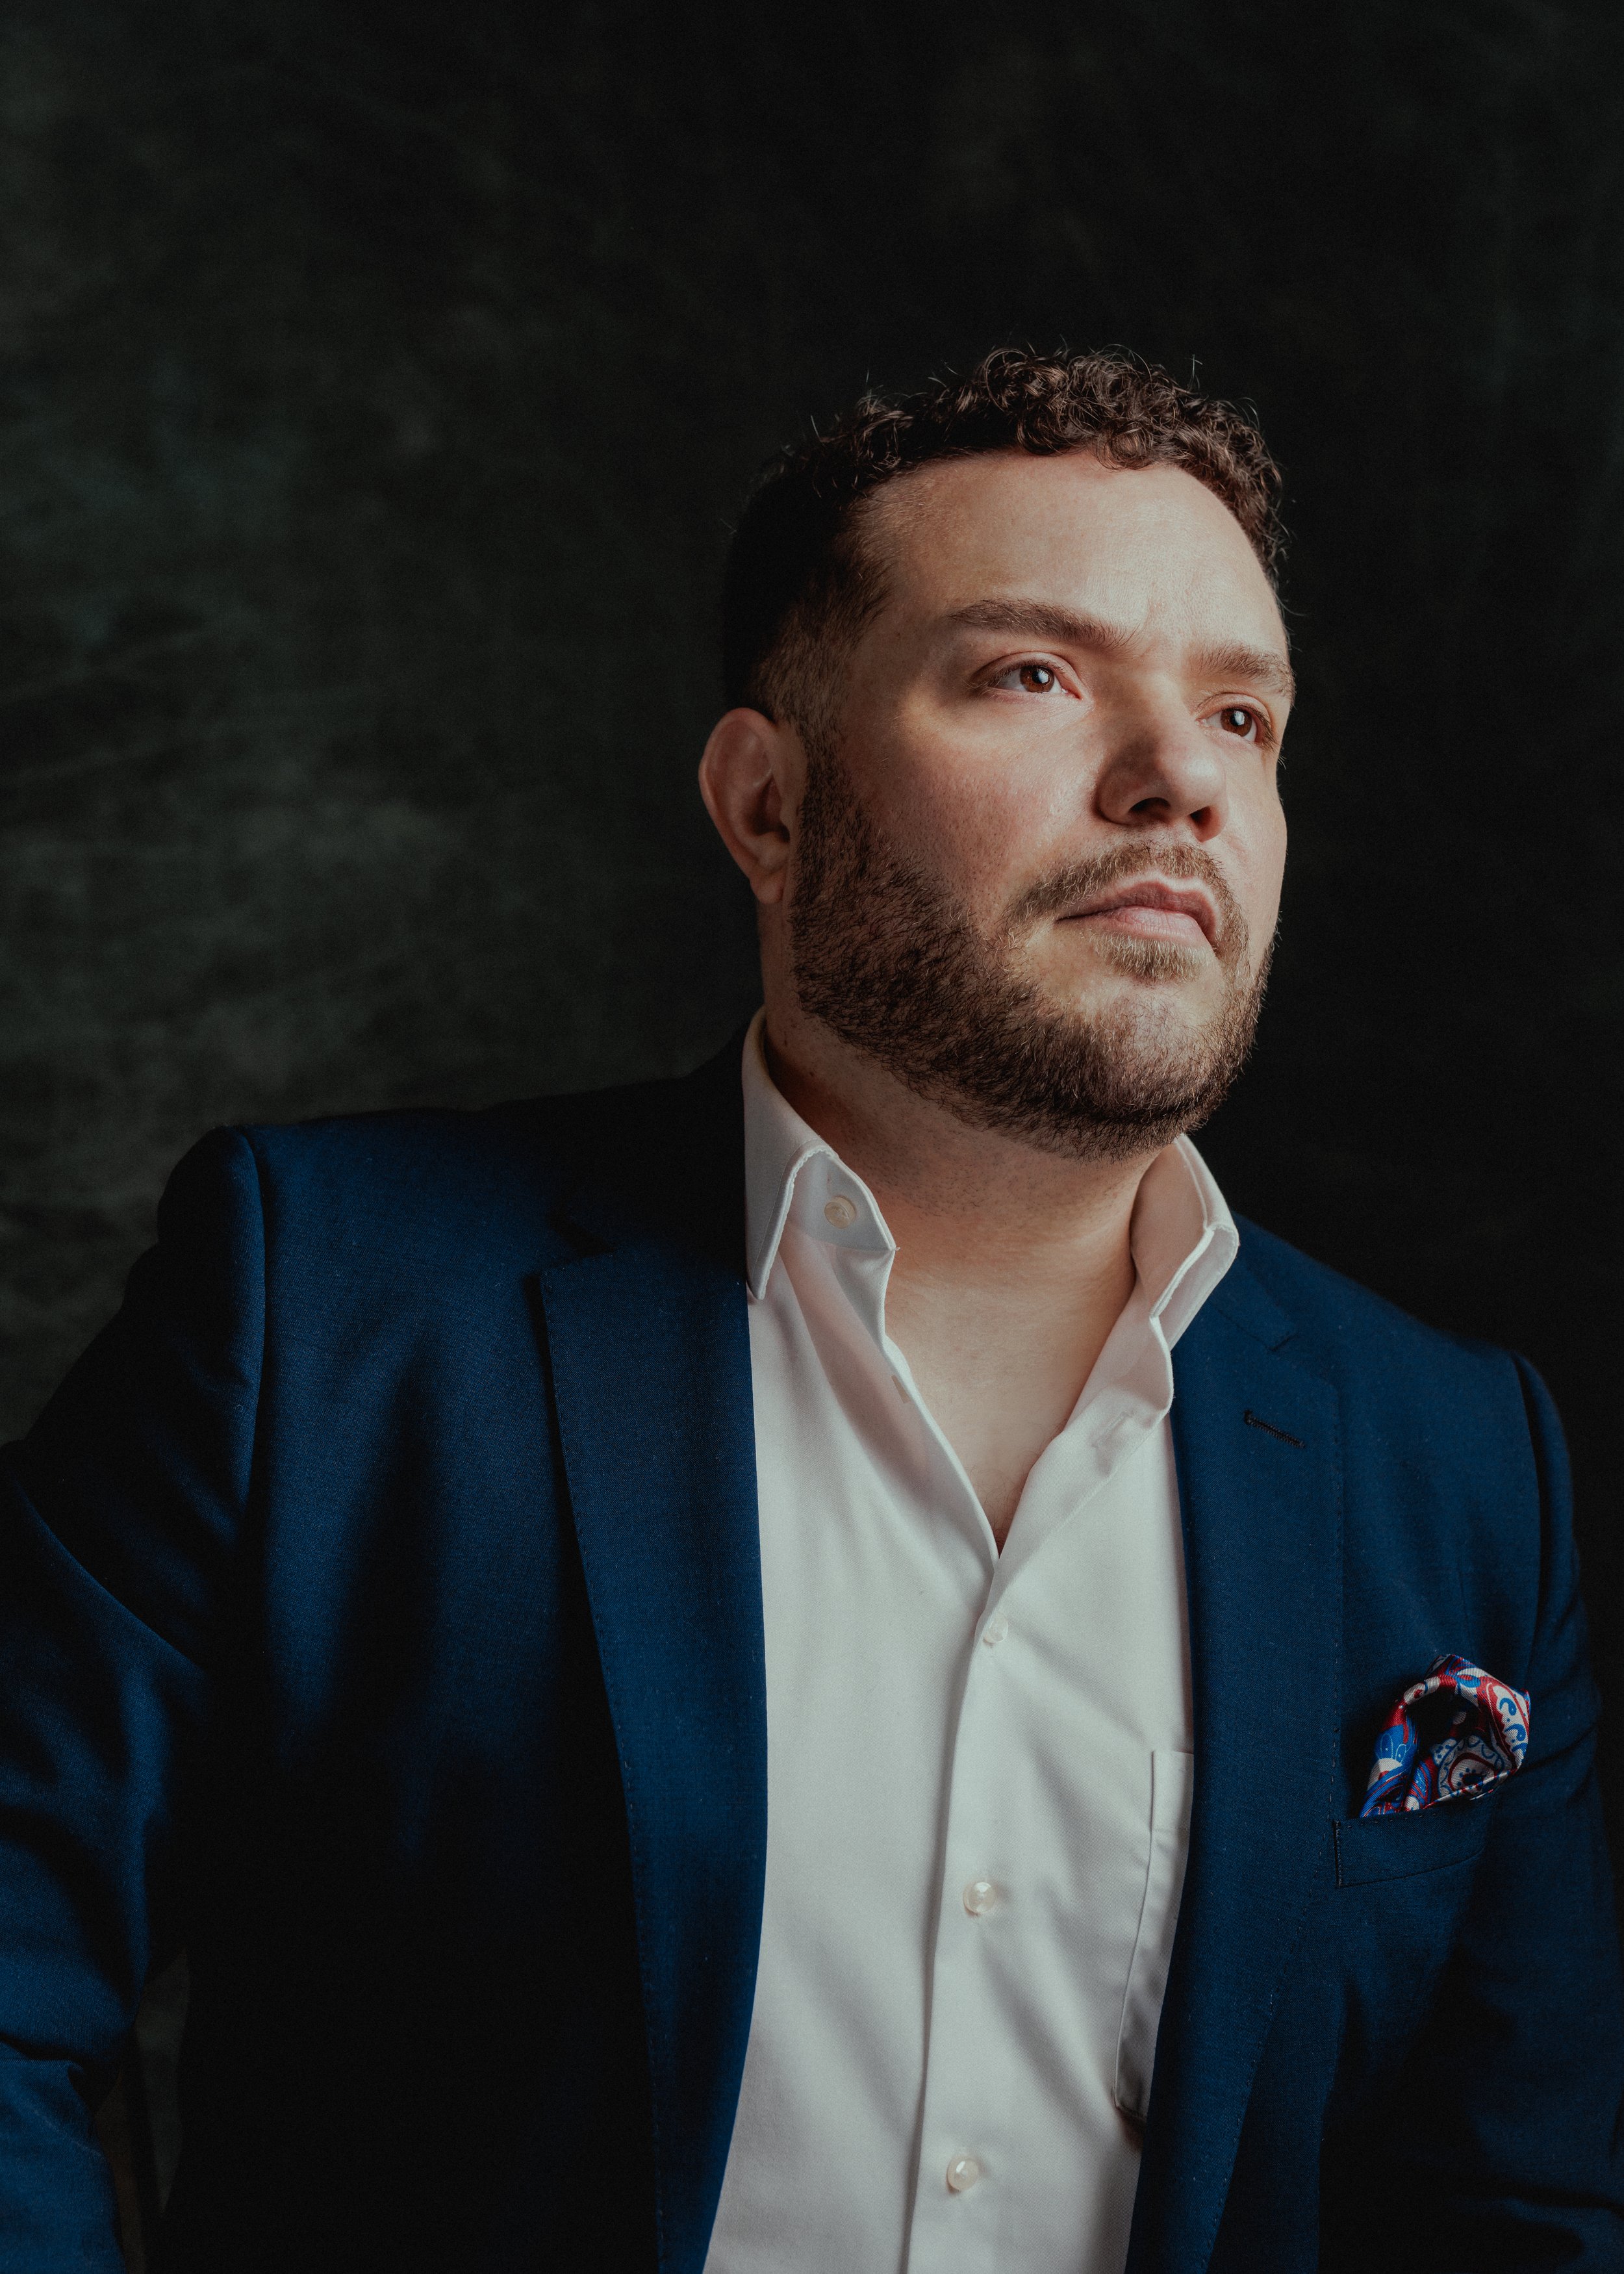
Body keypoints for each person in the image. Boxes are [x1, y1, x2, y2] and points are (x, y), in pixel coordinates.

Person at [1, 349, 1619, 2274]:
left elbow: (1520, 2205)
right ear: (766, 806)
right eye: (1032, 674)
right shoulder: (321, 1307)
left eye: (1241, 713)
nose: (1181, 776)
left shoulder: (1458, 1460)